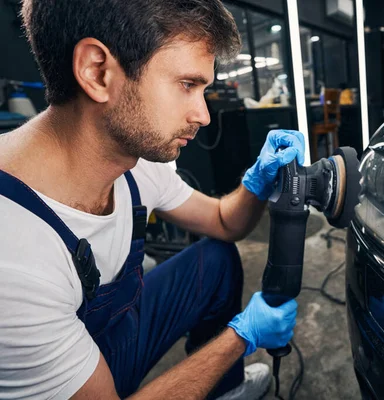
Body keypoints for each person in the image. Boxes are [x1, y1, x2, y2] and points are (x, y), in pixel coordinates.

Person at [0, 0, 305, 399]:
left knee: (217, 259)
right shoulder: (13, 257)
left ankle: (226, 390)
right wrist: (240, 338)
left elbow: (224, 222)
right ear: (97, 71)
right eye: (187, 85)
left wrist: (256, 183)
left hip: (105, 338)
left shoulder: (132, 159)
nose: (203, 115)